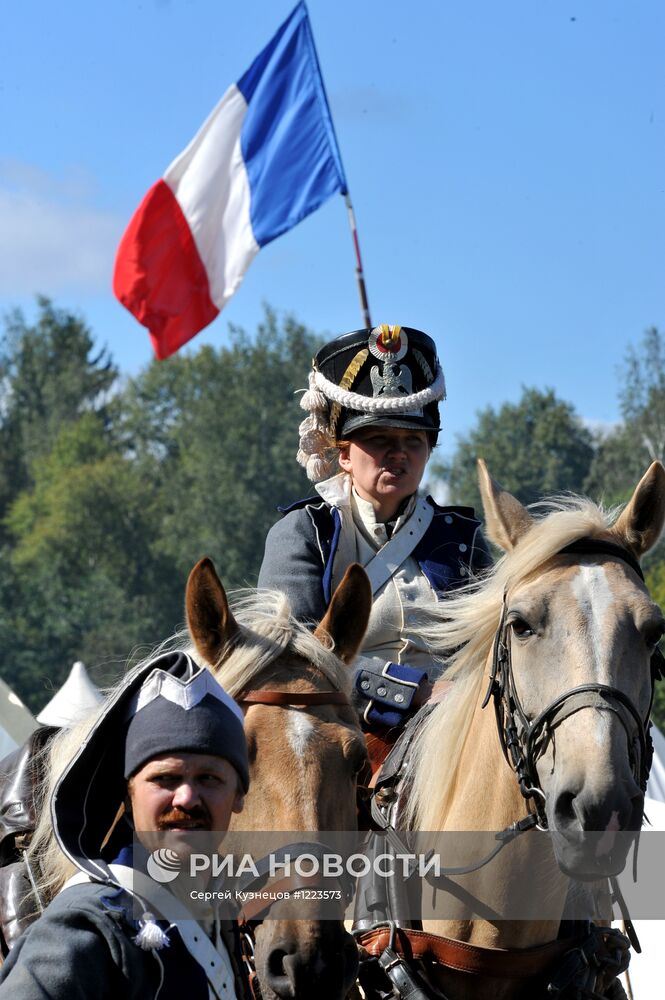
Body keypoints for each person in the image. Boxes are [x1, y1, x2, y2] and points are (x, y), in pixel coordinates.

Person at [259, 324, 492, 731]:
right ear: (344, 454)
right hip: (343, 731)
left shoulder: (463, 539)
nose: (398, 454)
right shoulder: (304, 533)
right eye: (379, 439)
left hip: (458, 733)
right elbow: (294, 658)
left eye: (414, 441)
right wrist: (411, 691)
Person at [0, 651, 251, 999]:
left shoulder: (216, 915)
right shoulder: (87, 925)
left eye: (209, 779)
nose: (187, 798)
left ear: (239, 795)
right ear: (128, 792)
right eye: (165, 778)